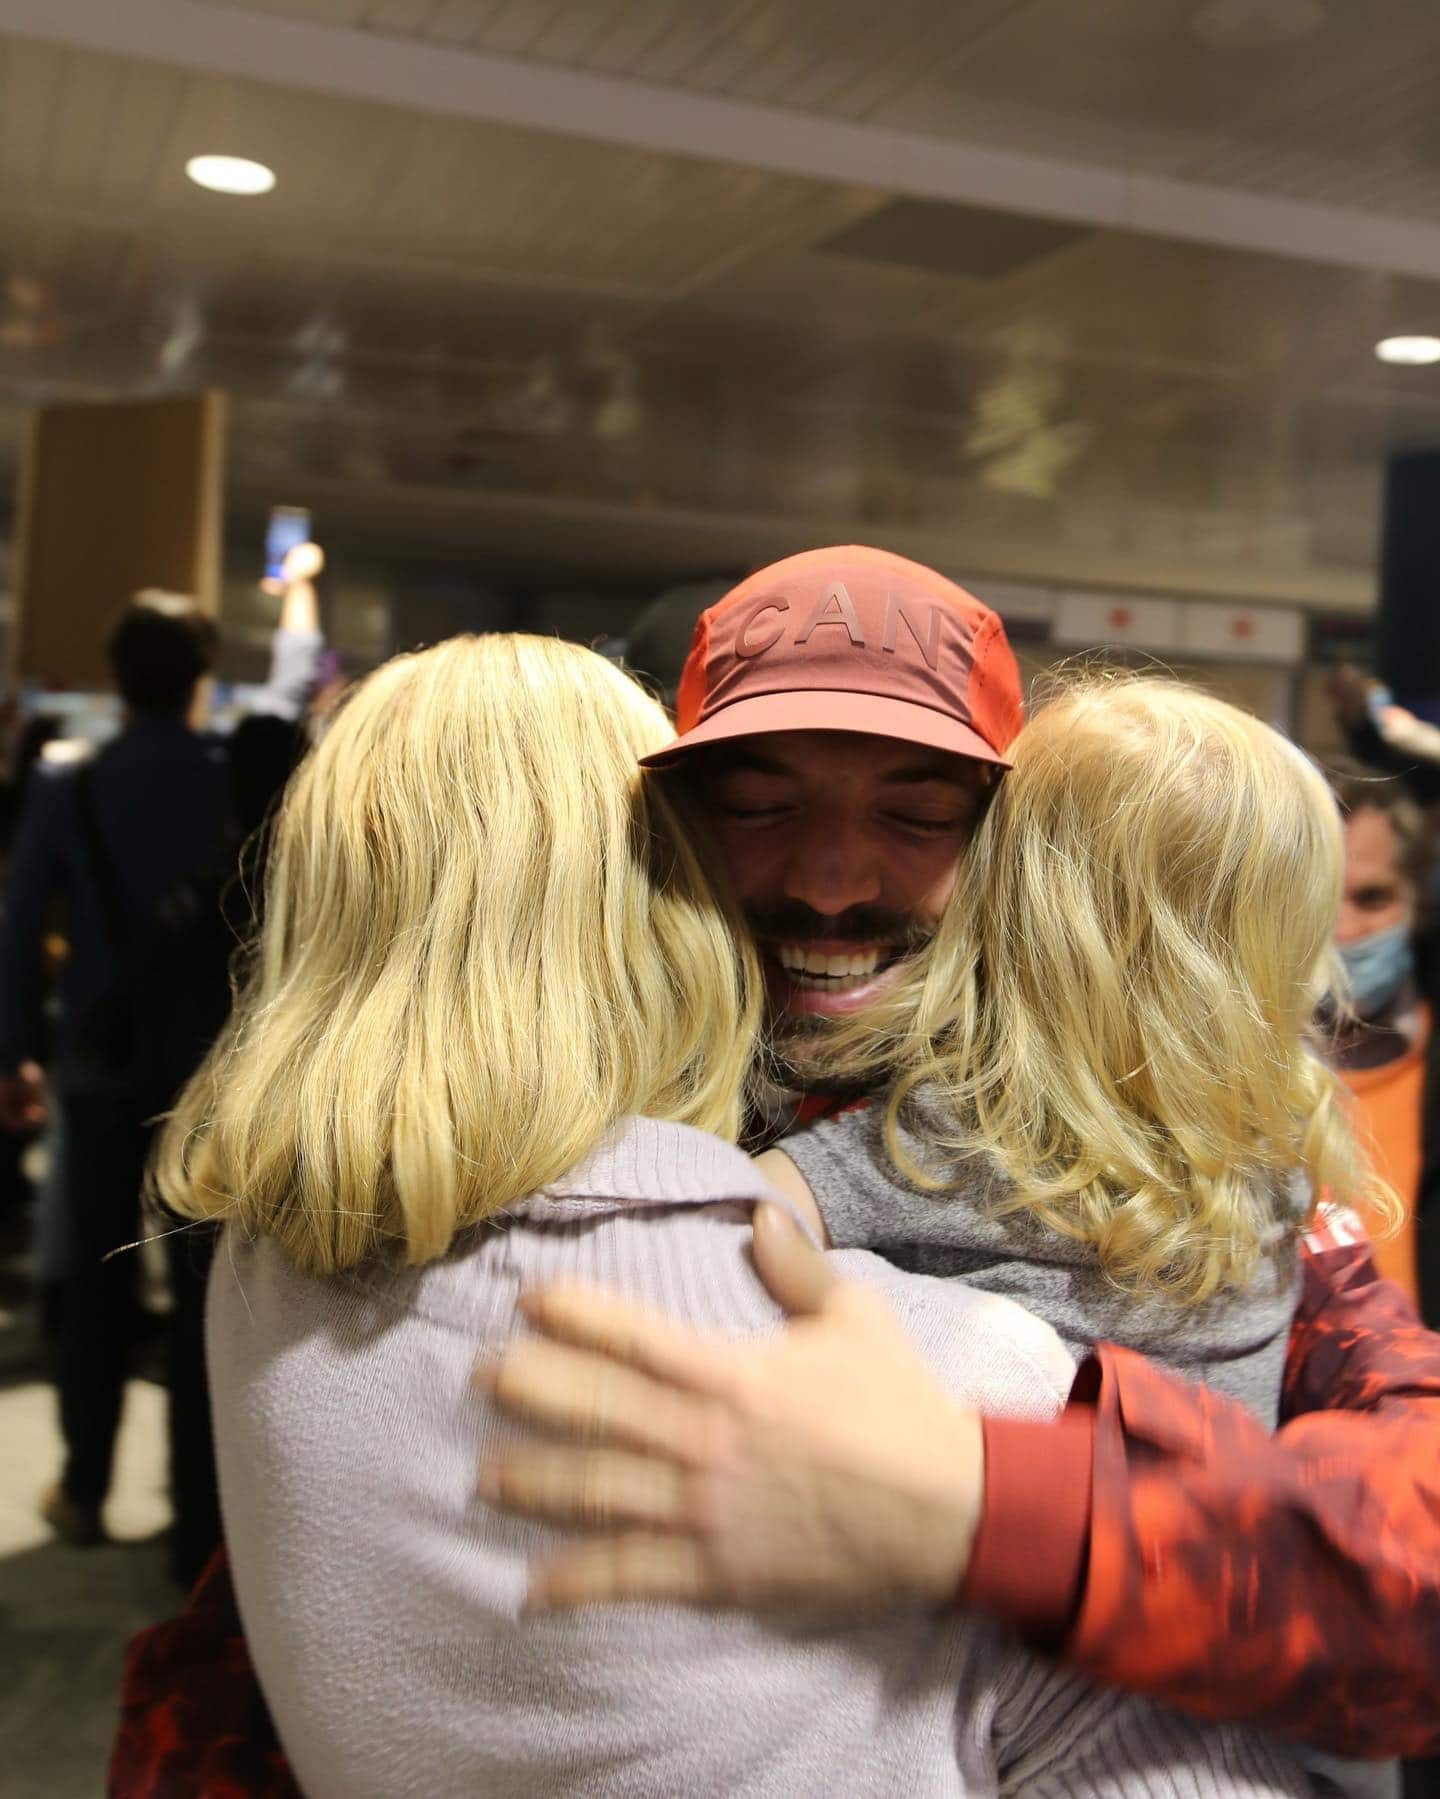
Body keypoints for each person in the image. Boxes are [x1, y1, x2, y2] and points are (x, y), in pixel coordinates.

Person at [112, 549, 1440, 1790]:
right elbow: (301, 1612)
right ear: (661, 828)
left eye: (919, 813)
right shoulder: (542, 1162)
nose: (830, 877)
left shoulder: (1154, 1146)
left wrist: (998, 1499)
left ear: (1018, 855)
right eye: (757, 804)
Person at [0, 556, 324, 1583]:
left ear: (113, 675)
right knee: (204, 1297)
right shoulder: (237, 775)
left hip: (100, 1068)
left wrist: (15, 1050)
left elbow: (14, 933)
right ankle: (197, 1519)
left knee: (90, 1289)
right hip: (214, 1076)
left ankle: (86, 1484)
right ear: (199, 671)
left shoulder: (70, 782)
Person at [1325, 769, 1431, 1306]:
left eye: (1371, 898)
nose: (1344, 930)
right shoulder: (1221, 1085)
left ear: (1418, 901)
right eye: (1320, 899)